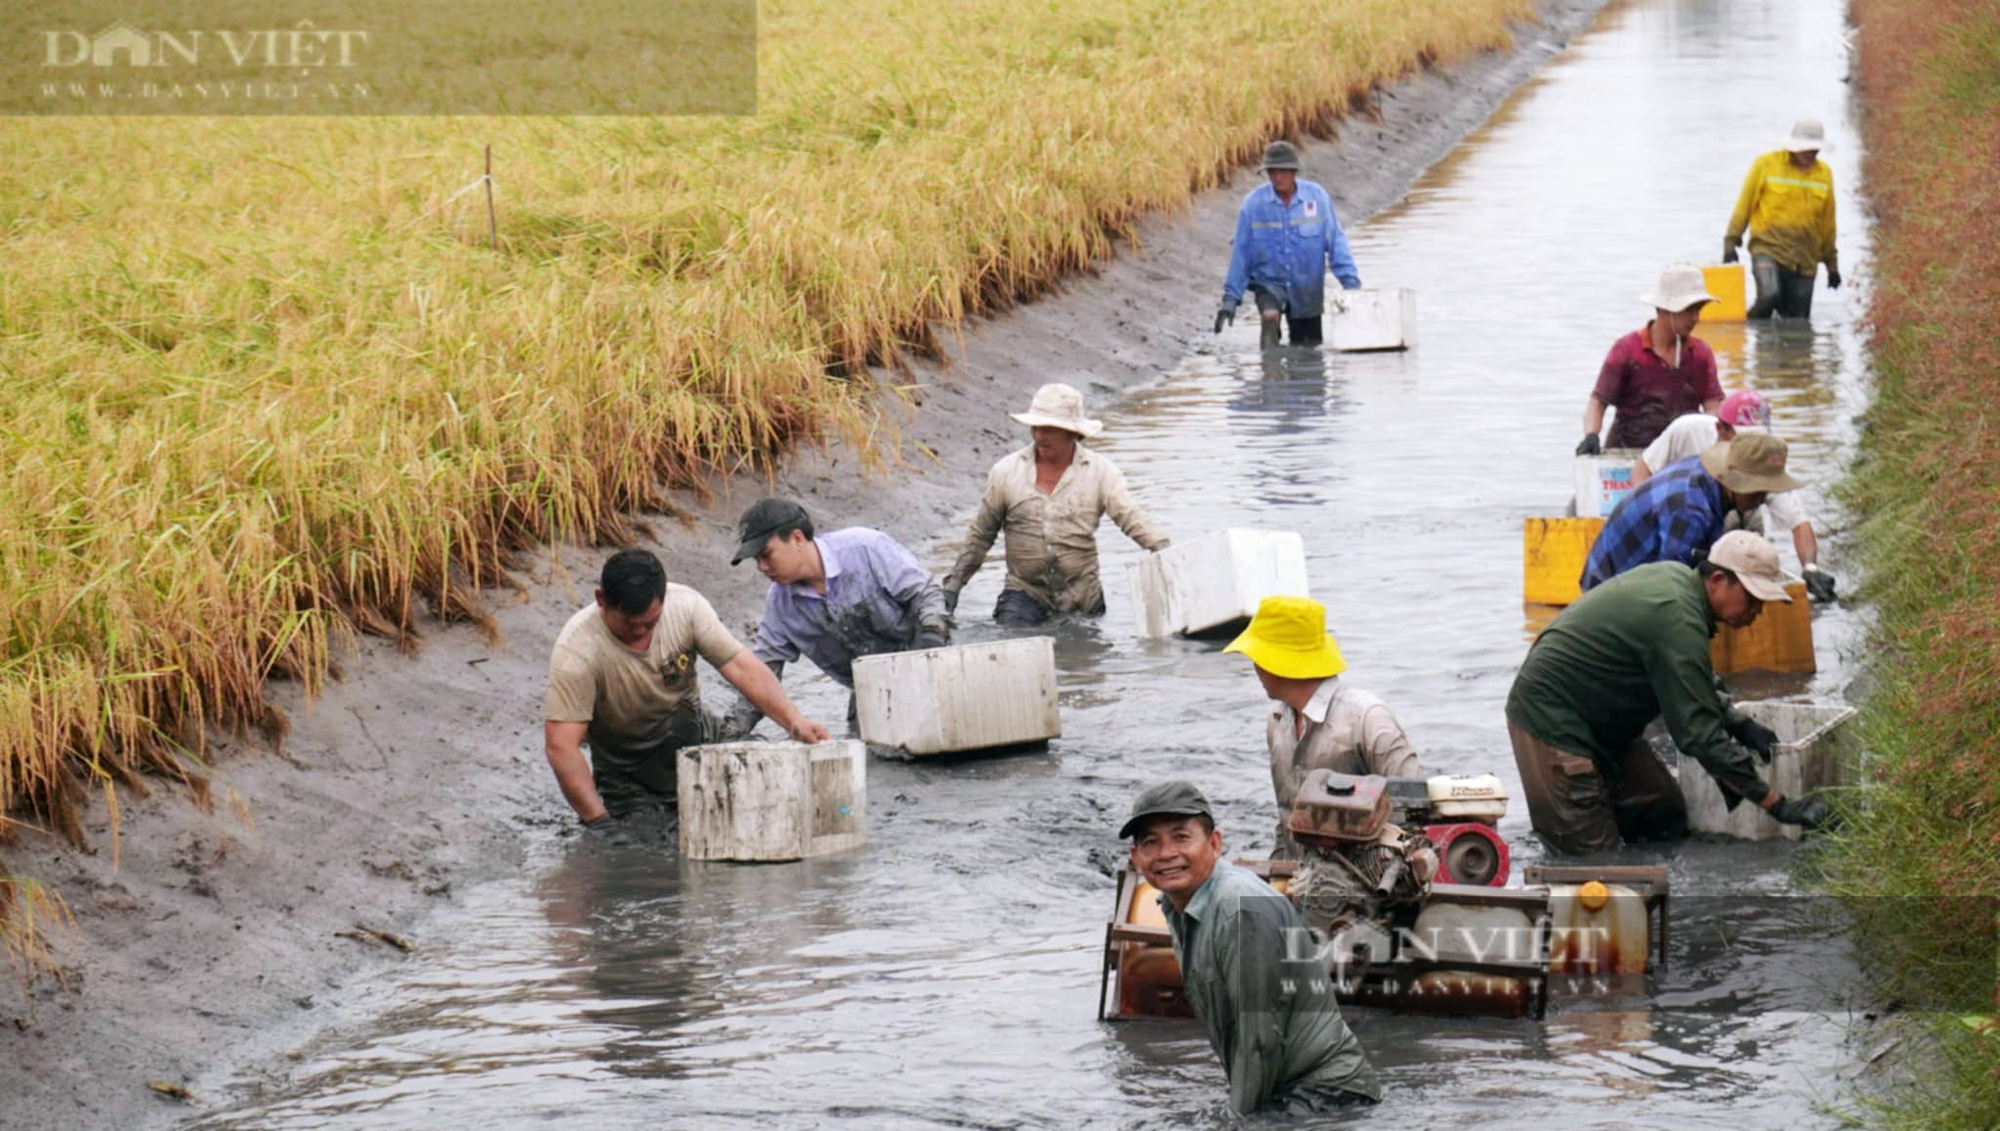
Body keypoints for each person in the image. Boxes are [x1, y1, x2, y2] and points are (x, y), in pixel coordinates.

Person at [1507, 533, 1832, 853]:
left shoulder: (1680, 585)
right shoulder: (1677, 616)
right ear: (1718, 579)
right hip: (1550, 721)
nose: (1756, 612)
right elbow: (1698, 736)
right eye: (1753, 599)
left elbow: (1690, 685)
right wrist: (1779, 805)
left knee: (1662, 814)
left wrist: (1738, 724)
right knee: (1596, 860)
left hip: (1603, 720)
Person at [1120, 780, 1383, 1113]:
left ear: (1214, 843)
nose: (1166, 853)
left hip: (1327, 1096)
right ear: (1135, 857)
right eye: (1150, 842)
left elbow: (1259, 1041)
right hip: (1290, 1089)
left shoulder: (1241, 909)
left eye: (1181, 837)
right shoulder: (1178, 905)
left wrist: (1238, 1120)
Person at [543, 548, 829, 825]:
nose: (641, 633)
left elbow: (742, 668)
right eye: (630, 625)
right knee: (641, 846)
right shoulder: (577, 651)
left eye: (651, 623)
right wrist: (598, 820)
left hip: (699, 736)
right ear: (601, 600)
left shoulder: (686, 607)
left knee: (777, 790)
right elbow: (561, 746)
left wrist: (793, 720)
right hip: (628, 774)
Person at [942, 383, 1169, 626]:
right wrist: (952, 589)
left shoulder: (1101, 473)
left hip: (1082, 596)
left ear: (1072, 433)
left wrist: (1165, 553)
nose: (1039, 436)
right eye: (1036, 428)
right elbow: (981, 535)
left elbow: (1131, 517)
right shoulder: (1006, 472)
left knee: (1085, 654)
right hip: (1024, 593)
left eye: (1049, 430)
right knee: (1013, 640)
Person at [725, 497, 950, 732]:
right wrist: (732, 732)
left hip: (926, 664)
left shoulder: (865, 548)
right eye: (756, 560)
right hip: (868, 692)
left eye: (766, 554)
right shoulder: (780, 605)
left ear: (797, 538)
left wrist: (931, 644)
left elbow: (927, 595)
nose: (761, 567)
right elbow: (762, 676)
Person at [1222, 596, 1421, 852]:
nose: (1255, 668)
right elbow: (1286, 817)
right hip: (1299, 874)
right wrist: (1275, 876)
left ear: (1275, 662)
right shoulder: (1278, 721)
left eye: (1257, 657)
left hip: (1366, 877)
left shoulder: (1368, 719)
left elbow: (1413, 813)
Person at [1631, 389, 1837, 602]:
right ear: (1721, 429)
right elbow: (1643, 468)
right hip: (1681, 513)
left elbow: (1799, 523)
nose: (1754, 446)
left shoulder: (1763, 458)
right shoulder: (1688, 430)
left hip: (1737, 518)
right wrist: (1648, 518)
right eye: (1745, 438)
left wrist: (1810, 568)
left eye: (1759, 438)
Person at [1579, 431, 1803, 592]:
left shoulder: (1705, 478)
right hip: (1608, 589)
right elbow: (1674, 582)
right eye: (1757, 491)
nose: (1761, 499)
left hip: (1637, 570)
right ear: (1734, 481)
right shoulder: (1690, 508)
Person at [1214, 140, 1362, 350]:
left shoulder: (1317, 198)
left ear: (1294, 172)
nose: (1278, 177)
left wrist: (1351, 285)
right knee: (1269, 318)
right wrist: (1231, 298)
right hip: (1268, 284)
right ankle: (1270, 371)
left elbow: (1336, 242)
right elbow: (1241, 252)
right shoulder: (1253, 204)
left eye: (1284, 171)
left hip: (1306, 287)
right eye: (1272, 171)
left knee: (1308, 349)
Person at [1577, 263, 1724, 455]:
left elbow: (1713, 405)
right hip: (1626, 453)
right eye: (1688, 310)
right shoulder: (1627, 351)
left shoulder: (1700, 354)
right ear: (1664, 310)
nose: (1695, 318)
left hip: (1679, 457)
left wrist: (1711, 439)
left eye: (1698, 310)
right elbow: (1598, 402)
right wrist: (1591, 435)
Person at [1723, 118, 1840, 319]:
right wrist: (1731, 242)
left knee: (1797, 322)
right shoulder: (1766, 165)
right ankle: (1747, 332)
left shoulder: (1824, 174)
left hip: (1805, 260)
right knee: (1769, 296)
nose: (1812, 153)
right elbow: (1745, 204)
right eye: (1808, 149)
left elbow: (1828, 224)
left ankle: (1781, 350)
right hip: (1768, 249)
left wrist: (1832, 266)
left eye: (1815, 149)